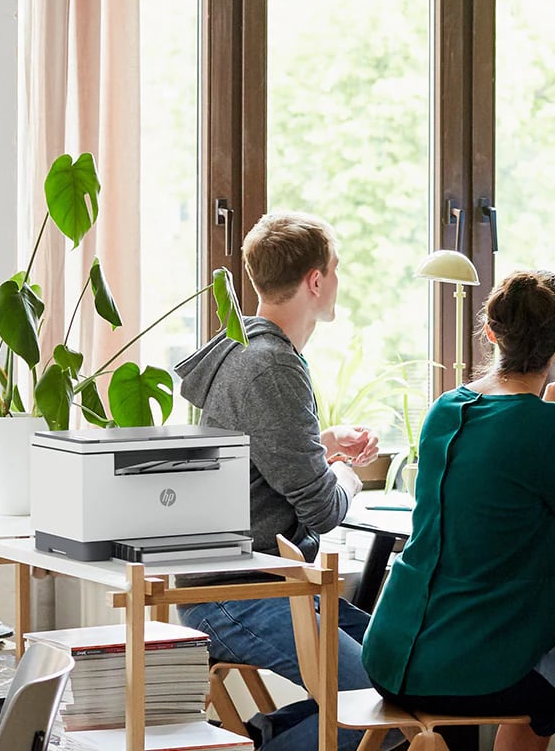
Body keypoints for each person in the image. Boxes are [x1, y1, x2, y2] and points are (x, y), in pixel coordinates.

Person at [363, 271, 555, 751]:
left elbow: (503, 469)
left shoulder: (446, 408)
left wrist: (546, 412)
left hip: (390, 656)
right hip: (473, 669)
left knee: (541, 682)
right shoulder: (550, 428)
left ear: (490, 331)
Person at [174, 211, 383, 751]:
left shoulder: (246, 349)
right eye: (334, 270)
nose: (336, 281)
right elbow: (324, 510)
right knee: (388, 708)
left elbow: (260, 457)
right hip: (238, 594)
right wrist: (345, 472)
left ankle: (259, 736)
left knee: (408, 671)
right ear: (315, 280)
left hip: (257, 582)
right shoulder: (272, 367)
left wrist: (323, 443)